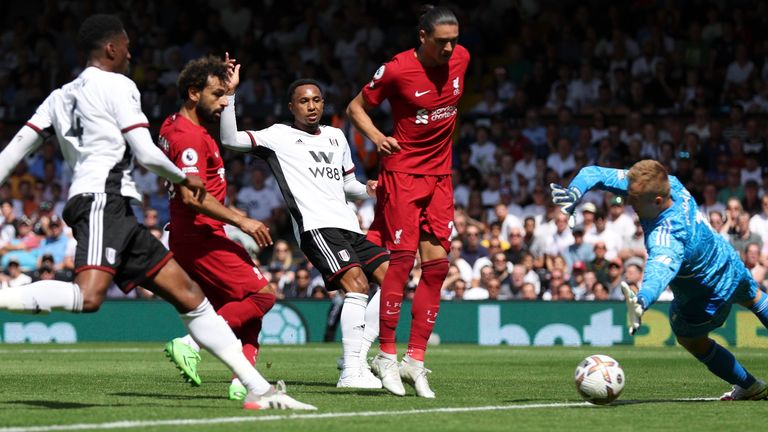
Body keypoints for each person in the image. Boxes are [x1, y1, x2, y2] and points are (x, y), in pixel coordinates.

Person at [0, 15, 313, 411]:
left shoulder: (58, 96)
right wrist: (184, 178)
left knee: (191, 298)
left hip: (116, 207)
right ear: (111, 48)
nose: (131, 52)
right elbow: (146, 153)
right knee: (90, 296)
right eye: (126, 45)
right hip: (101, 198)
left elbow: (12, 152)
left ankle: (259, 388)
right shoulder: (119, 85)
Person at [220, 57, 389, 389]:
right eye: (303, 101)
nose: (311, 107)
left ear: (323, 104)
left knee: (393, 278)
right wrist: (230, 96)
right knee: (356, 285)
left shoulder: (337, 137)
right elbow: (230, 140)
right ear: (291, 107)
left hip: (349, 225)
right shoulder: (278, 136)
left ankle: (355, 358)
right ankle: (351, 372)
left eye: (316, 100)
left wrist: (369, 189)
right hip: (316, 227)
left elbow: (347, 185)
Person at [552, 159, 768, 400]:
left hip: (706, 292)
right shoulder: (670, 185)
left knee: (690, 338)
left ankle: (749, 385)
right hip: (728, 260)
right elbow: (594, 172)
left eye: (634, 201)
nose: (628, 203)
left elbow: (659, 270)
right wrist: (575, 192)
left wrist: (642, 300)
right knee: (756, 298)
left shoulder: (666, 235)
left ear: (656, 202)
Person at [345, 5, 470, 398]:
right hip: (401, 175)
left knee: (436, 268)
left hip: (440, 177)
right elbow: (355, 108)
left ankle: (414, 360)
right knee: (399, 263)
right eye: (441, 42)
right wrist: (378, 138)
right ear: (422, 37)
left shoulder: (463, 58)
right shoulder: (397, 69)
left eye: (454, 40)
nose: (450, 49)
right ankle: (385, 354)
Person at [158, 56, 279, 402]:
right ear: (193, 93)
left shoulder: (173, 124)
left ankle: (245, 380)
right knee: (262, 295)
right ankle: (189, 343)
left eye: (225, 94)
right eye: (218, 95)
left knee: (246, 304)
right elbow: (192, 197)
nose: (224, 101)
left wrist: (230, 88)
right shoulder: (190, 137)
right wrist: (242, 219)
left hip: (196, 233)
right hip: (200, 234)